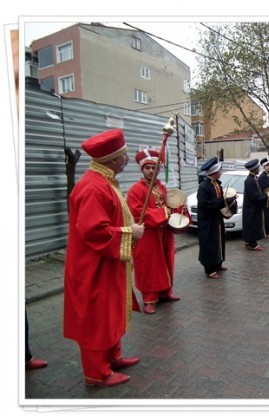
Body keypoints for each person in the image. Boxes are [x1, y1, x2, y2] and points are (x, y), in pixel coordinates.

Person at [64, 129, 145, 387]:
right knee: (97, 317)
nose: (127, 159)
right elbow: (93, 231)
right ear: (111, 160)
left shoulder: (104, 180)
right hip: (93, 267)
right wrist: (130, 232)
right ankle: (96, 374)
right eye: (123, 155)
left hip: (107, 263)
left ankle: (112, 357)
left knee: (110, 311)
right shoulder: (93, 187)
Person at [127, 148, 180, 315]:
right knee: (149, 266)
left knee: (165, 262)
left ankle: (164, 292)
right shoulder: (135, 189)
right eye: (147, 168)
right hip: (147, 235)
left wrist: (177, 207)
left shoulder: (161, 187)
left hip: (163, 232)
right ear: (142, 170)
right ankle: (149, 299)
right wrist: (163, 213)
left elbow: (169, 204)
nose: (151, 171)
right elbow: (137, 212)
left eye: (154, 168)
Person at [197, 157, 232, 279]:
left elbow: (220, 201)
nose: (221, 172)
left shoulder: (217, 184)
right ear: (214, 172)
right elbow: (204, 203)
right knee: (209, 243)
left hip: (217, 218)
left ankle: (218, 263)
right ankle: (209, 269)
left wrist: (229, 202)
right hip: (208, 221)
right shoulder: (204, 186)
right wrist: (220, 201)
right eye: (220, 171)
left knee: (219, 240)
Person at [242, 159, 269, 251]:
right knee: (252, 225)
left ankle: (248, 241)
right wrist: (266, 196)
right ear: (254, 169)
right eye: (258, 168)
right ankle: (253, 244)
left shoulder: (253, 179)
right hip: (251, 208)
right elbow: (255, 196)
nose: (259, 169)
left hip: (253, 207)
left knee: (251, 224)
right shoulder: (250, 181)